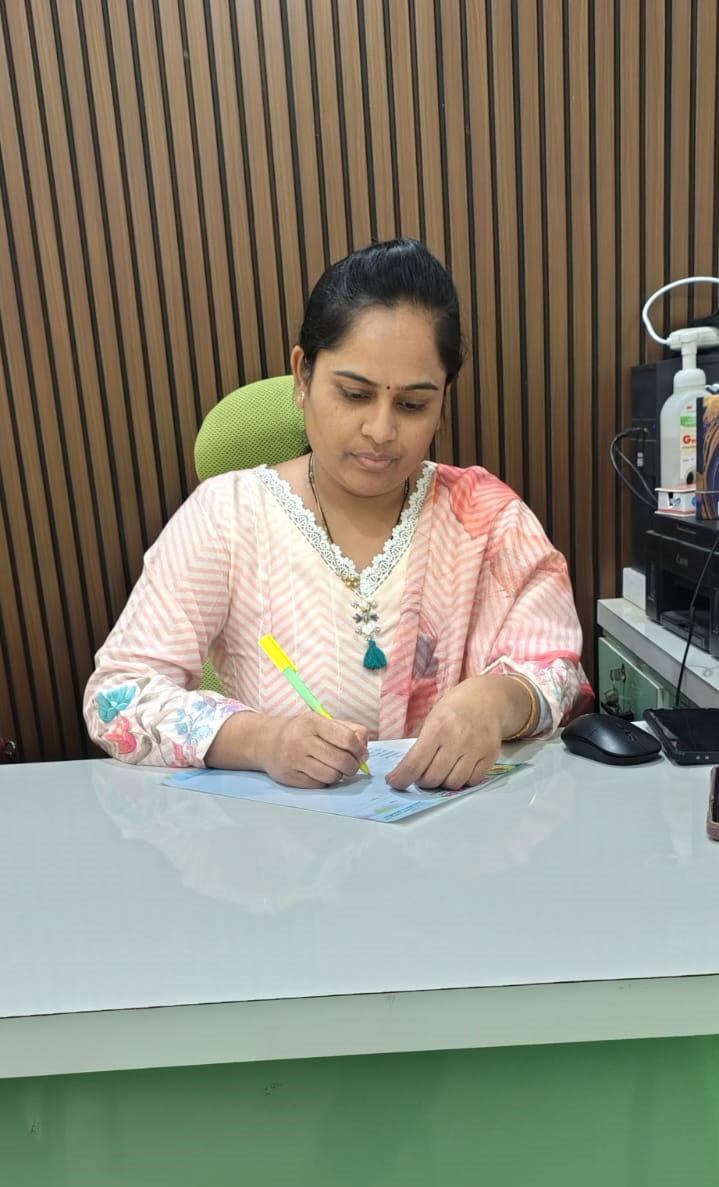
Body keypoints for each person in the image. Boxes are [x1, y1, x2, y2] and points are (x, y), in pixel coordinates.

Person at [84, 239, 592, 789]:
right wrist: (262, 740)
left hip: (460, 823)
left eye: (413, 404)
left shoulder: (488, 518)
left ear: (443, 398)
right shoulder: (228, 516)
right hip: (284, 829)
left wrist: (496, 700)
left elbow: (558, 673)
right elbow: (118, 696)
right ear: (302, 376)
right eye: (354, 394)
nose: (381, 430)